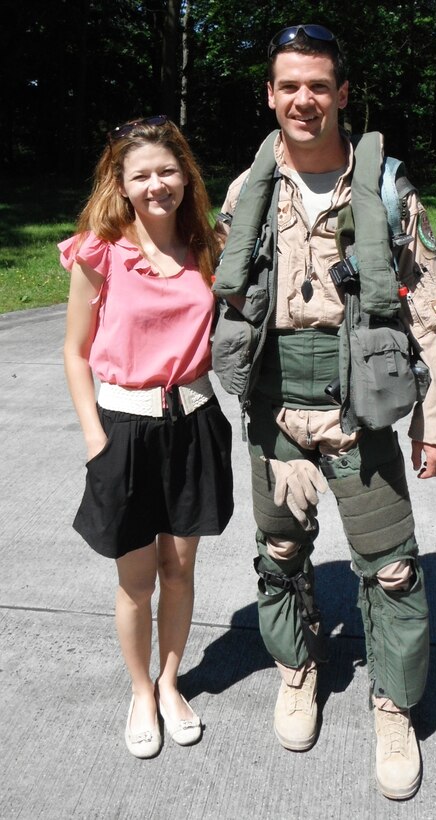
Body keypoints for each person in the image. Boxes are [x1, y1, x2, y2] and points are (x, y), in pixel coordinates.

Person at [213, 25, 436, 799]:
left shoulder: (386, 188)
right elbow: (211, 288)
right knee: (281, 554)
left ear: (343, 94)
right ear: (271, 94)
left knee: (391, 571)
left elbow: (433, 312)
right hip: (272, 408)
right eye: (289, 85)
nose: (304, 99)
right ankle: (298, 668)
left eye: (319, 85)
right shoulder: (246, 193)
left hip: (360, 404)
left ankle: (393, 704)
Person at [60, 115, 233, 758]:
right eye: (142, 175)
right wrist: (94, 440)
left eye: (168, 170)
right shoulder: (99, 251)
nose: (156, 184)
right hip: (123, 430)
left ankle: (169, 682)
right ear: (121, 183)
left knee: (179, 567)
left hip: (193, 423)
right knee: (136, 578)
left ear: (186, 176)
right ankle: (139, 690)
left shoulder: (210, 248)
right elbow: (75, 352)